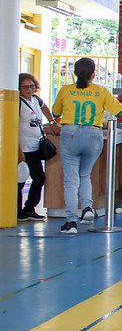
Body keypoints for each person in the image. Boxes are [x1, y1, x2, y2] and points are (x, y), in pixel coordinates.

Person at [52, 57, 122, 235]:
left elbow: (55, 111)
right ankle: (87, 208)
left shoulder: (66, 90)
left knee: (71, 181)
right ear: (93, 74)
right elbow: (121, 111)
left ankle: (71, 222)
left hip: (70, 134)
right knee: (85, 174)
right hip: (93, 135)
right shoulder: (101, 91)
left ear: (75, 73)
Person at [17, 73, 56, 221]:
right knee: (20, 180)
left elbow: (45, 108)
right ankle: (18, 211)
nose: (29, 89)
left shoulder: (36, 100)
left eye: (32, 86)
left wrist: (51, 122)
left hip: (35, 147)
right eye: (25, 87)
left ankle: (29, 208)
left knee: (39, 178)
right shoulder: (18, 103)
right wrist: (18, 149)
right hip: (23, 147)